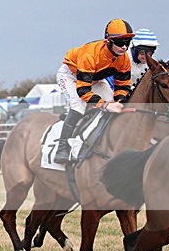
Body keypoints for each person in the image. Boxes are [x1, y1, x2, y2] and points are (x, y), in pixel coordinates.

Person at [54, 19, 134, 164]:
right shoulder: (90, 54)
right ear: (109, 41)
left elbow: (122, 85)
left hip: (96, 78)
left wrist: (119, 100)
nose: (124, 47)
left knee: (113, 103)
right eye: (120, 42)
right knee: (79, 106)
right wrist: (105, 105)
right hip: (71, 76)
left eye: (127, 42)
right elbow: (83, 91)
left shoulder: (124, 59)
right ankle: (62, 147)